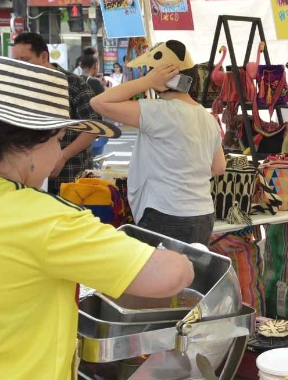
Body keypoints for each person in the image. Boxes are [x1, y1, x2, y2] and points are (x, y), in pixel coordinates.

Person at [0, 57, 195, 380]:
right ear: (27, 145)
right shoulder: (41, 218)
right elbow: (169, 277)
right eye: (60, 140)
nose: (59, 152)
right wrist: (188, 257)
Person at [91, 40, 226, 244]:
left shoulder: (159, 112)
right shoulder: (208, 118)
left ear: (164, 78)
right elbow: (218, 167)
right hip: (203, 216)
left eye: (152, 72)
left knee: (161, 276)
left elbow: (99, 102)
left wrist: (146, 82)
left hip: (165, 214)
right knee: (190, 276)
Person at [12, 33, 99, 194]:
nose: (19, 67)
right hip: (27, 177)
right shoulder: (20, 87)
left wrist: (63, 156)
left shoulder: (74, 85)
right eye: (15, 62)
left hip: (70, 174)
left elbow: (93, 127)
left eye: (24, 60)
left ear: (44, 56)